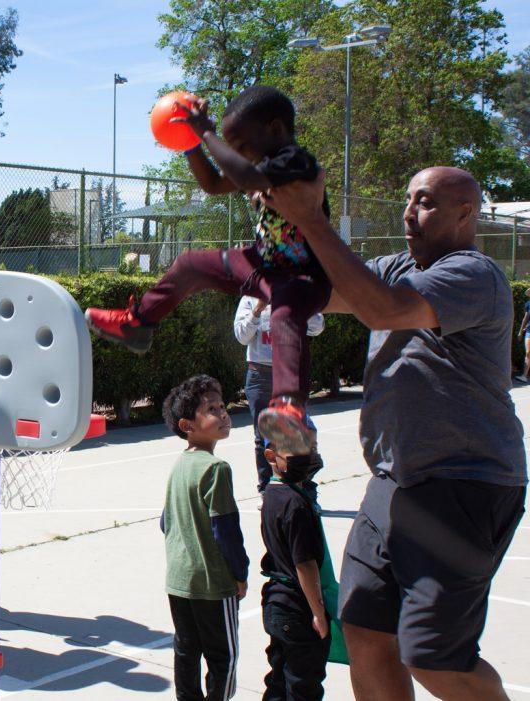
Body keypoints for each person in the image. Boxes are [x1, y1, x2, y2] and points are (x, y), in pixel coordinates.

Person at [263, 166, 527, 700]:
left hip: (464, 483)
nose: (409, 212)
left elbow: (383, 307)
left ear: (465, 213)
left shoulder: (471, 274)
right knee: (363, 631)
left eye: (426, 202)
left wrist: (312, 218)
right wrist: (281, 218)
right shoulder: (395, 265)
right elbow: (317, 288)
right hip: (391, 483)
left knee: (434, 658)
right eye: (408, 200)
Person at [87, 86, 331, 455]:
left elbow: (247, 177)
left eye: (242, 145)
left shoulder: (296, 161)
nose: (237, 155)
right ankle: (138, 323)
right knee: (189, 264)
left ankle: (288, 408)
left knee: (285, 315)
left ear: (276, 129)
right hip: (263, 262)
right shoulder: (261, 165)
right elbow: (215, 184)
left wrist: (206, 132)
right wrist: (190, 145)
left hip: (304, 275)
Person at [161, 375, 248, 701]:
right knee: (223, 656)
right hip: (213, 585)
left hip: (179, 580)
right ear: (187, 425)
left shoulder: (179, 466)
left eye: (223, 406)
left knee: (186, 650)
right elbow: (226, 531)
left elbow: (165, 522)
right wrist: (239, 574)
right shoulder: (216, 469)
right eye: (212, 409)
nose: (223, 414)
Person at [258, 439, 331, 700]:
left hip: (276, 604)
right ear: (271, 455)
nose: (306, 456)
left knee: (279, 680)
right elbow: (305, 564)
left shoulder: (272, 494)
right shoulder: (296, 504)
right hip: (296, 608)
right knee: (303, 685)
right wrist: (318, 612)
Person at [234, 296, 324, 499]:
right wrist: (257, 310)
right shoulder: (249, 299)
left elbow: (318, 326)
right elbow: (240, 336)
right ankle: (267, 491)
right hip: (259, 374)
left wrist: (299, 306)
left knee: (298, 431)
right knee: (262, 438)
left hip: (289, 372)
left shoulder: (294, 292)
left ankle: (304, 487)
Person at [515, 288, 530, 382]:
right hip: (529, 331)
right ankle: (524, 375)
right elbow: (525, 318)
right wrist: (521, 332)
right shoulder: (528, 304)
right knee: (528, 353)